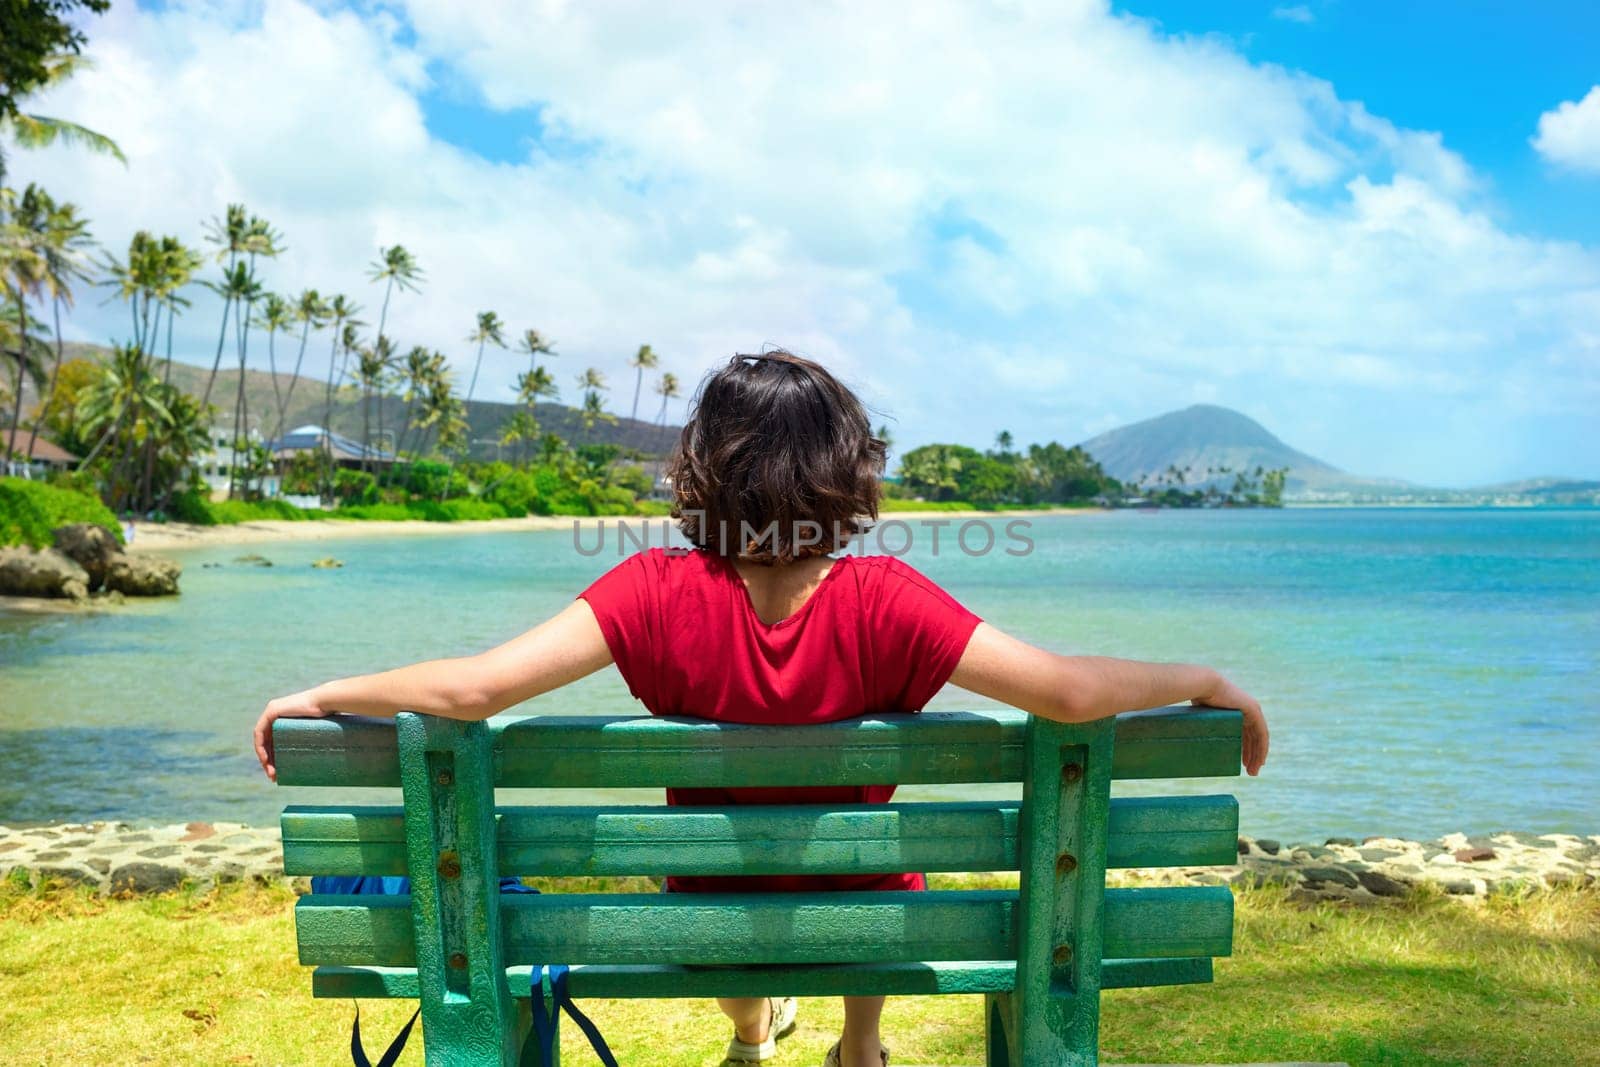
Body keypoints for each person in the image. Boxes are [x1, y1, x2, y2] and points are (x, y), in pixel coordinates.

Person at [254, 350, 1269, 1067]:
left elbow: (473, 691)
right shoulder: (889, 598)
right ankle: (861, 1040)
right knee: (878, 864)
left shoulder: (650, 588)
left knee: (721, 891)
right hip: (881, 922)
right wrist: (1199, 677)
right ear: (844, 470)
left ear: (708, 467)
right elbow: (1071, 694)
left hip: (709, 918)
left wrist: (327, 691)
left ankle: (749, 1027)